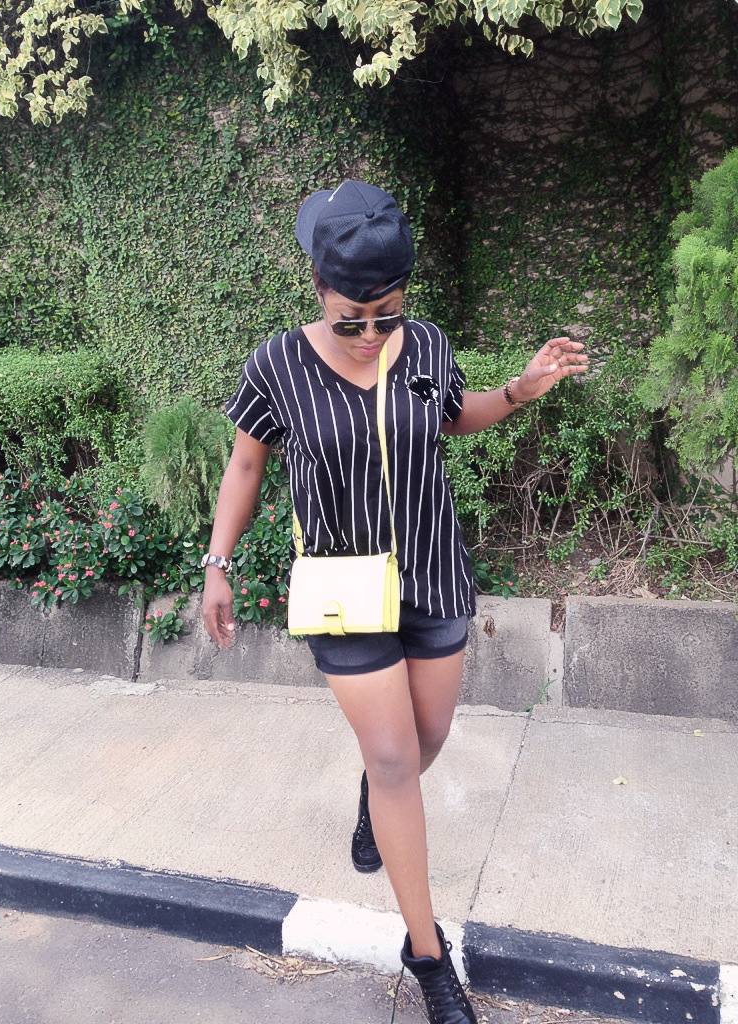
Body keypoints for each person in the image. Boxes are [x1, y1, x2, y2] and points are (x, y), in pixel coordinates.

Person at [202, 179, 588, 1024]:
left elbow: (453, 417)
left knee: (424, 742)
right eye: (352, 320)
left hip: (432, 575)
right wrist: (216, 563)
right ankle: (428, 957)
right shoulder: (276, 366)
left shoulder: (428, 346)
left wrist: (519, 390)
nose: (372, 335)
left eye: (387, 314)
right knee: (395, 759)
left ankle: (376, 796)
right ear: (318, 289)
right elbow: (246, 465)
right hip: (344, 591)